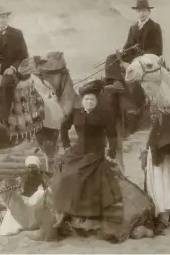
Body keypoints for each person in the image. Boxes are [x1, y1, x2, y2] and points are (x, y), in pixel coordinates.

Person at [50, 79, 121, 229]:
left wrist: (112, 152)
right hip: (78, 150)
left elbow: (112, 134)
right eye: (86, 99)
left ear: (96, 101)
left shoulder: (104, 114)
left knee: (77, 175)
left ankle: (84, 214)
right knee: (63, 175)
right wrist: (67, 145)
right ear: (82, 101)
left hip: (95, 152)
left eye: (92, 99)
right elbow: (63, 127)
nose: (89, 102)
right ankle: (64, 212)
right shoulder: (76, 113)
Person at [104, 0, 163, 130]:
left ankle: (138, 102)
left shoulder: (155, 27)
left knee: (134, 67)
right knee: (111, 58)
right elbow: (128, 45)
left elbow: (157, 49)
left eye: (144, 11)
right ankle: (115, 82)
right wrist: (122, 51)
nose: (142, 14)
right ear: (136, 12)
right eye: (139, 11)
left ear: (149, 12)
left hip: (147, 59)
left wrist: (140, 54)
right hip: (132, 57)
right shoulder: (133, 28)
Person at [142, 109, 170, 235]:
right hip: (154, 158)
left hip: (164, 161)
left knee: (164, 185)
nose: (154, 116)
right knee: (154, 186)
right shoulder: (156, 125)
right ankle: (157, 214)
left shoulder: (168, 121)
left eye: (156, 113)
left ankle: (164, 217)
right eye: (152, 113)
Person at [0, 155, 48, 237]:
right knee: (13, 210)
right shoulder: (23, 178)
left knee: (40, 193)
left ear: (38, 166)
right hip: (25, 200)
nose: (31, 169)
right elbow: (20, 190)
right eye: (29, 167)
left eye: (33, 167)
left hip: (38, 200)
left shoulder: (44, 176)